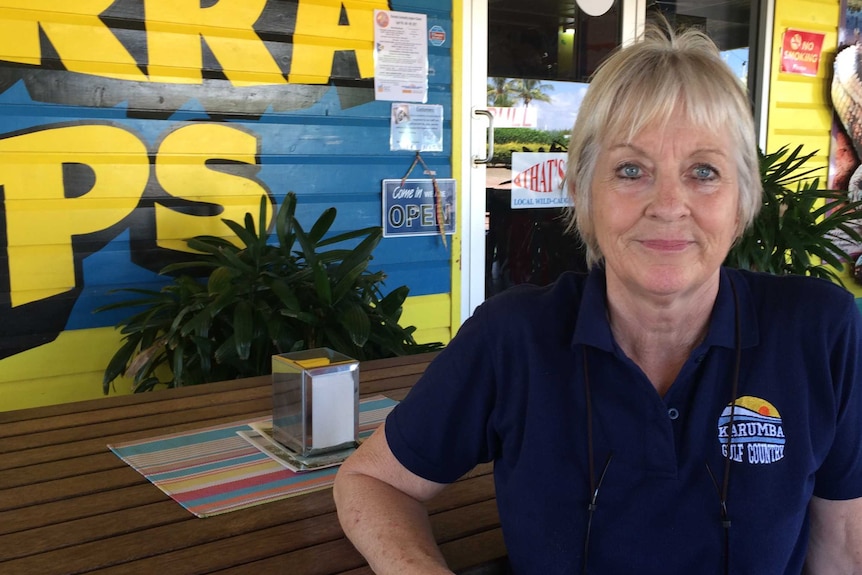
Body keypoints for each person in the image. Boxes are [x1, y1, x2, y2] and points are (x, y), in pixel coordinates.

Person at [333, 20, 862, 575]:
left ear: (742, 201)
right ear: (584, 193)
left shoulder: (817, 332)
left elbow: (844, 552)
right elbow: (370, 481)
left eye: (703, 172)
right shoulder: (514, 338)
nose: (668, 204)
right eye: (631, 170)